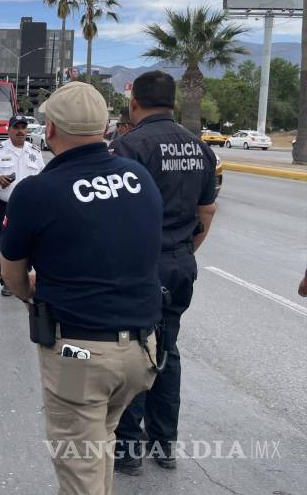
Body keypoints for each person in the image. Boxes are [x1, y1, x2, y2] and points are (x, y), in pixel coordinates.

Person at [0, 81, 162, 495]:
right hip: (140, 350)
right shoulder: (139, 178)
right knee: (99, 446)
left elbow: (13, 274)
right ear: (107, 127)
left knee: (80, 472)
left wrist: (28, 292)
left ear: (49, 129)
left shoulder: (37, 191)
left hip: (80, 354)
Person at [112, 71, 218, 474]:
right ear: (173, 102)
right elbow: (206, 211)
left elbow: (115, 216)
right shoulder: (200, 149)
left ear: (134, 104)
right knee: (168, 351)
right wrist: (183, 250)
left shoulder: (128, 147)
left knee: (138, 353)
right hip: (180, 267)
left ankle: (128, 449)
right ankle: (165, 443)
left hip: (140, 269)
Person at [0, 115, 43, 296]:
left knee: (29, 241)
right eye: (16, 127)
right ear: (9, 130)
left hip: (29, 207)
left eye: (23, 127)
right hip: (2, 206)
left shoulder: (35, 152)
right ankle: (6, 280)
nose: (20, 131)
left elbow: (43, 176)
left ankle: (23, 275)